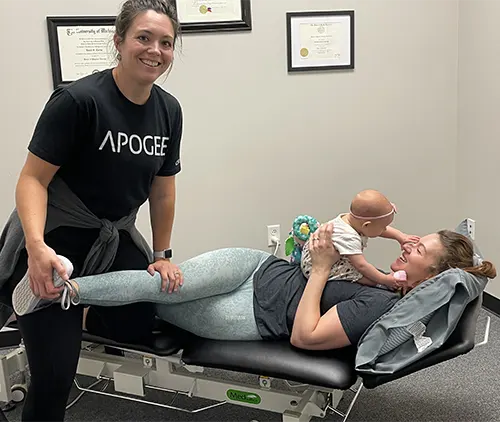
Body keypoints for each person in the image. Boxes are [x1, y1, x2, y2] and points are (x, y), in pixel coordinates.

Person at [0, 1, 184, 421]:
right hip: (57, 242)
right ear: (118, 41)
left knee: (137, 327)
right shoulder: (78, 100)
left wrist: (162, 255)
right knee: (54, 377)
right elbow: (32, 179)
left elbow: (163, 188)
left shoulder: (169, 110)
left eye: (166, 42)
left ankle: (80, 316)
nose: (155, 50)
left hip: (113, 239)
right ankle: (49, 323)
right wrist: (35, 248)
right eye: (143, 37)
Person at [13, 222, 497, 353]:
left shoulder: (380, 306)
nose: (410, 244)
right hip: (256, 266)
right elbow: (367, 220)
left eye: (419, 250)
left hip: (253, 317)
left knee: (155, 300)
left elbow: (304, 336)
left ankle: (64, 295)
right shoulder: (386, 279)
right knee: (161, 279)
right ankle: (61, 284)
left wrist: (323, 268)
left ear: (431, 277)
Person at [300, 189, 420, 289]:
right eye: (383, 227)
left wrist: (400, 236)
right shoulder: (348, 236)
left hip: (319, 255)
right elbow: (361, 265)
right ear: (366, 225)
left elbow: (377, 229)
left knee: (371, 274)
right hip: (313, 266)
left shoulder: (351, 220)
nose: (385, 230)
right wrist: (384, 279)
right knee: (369, 279)